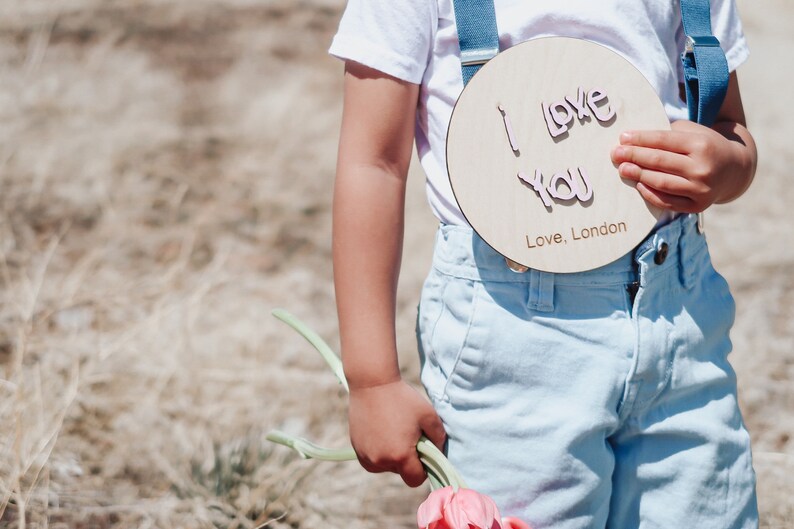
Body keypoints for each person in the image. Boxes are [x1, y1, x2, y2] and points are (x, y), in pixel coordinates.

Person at [329, 1, 758, 527]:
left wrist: (729, 163)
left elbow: (729, 123)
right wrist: (372, 380)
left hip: (682, 318)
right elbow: (373, 163)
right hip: (512, 334)